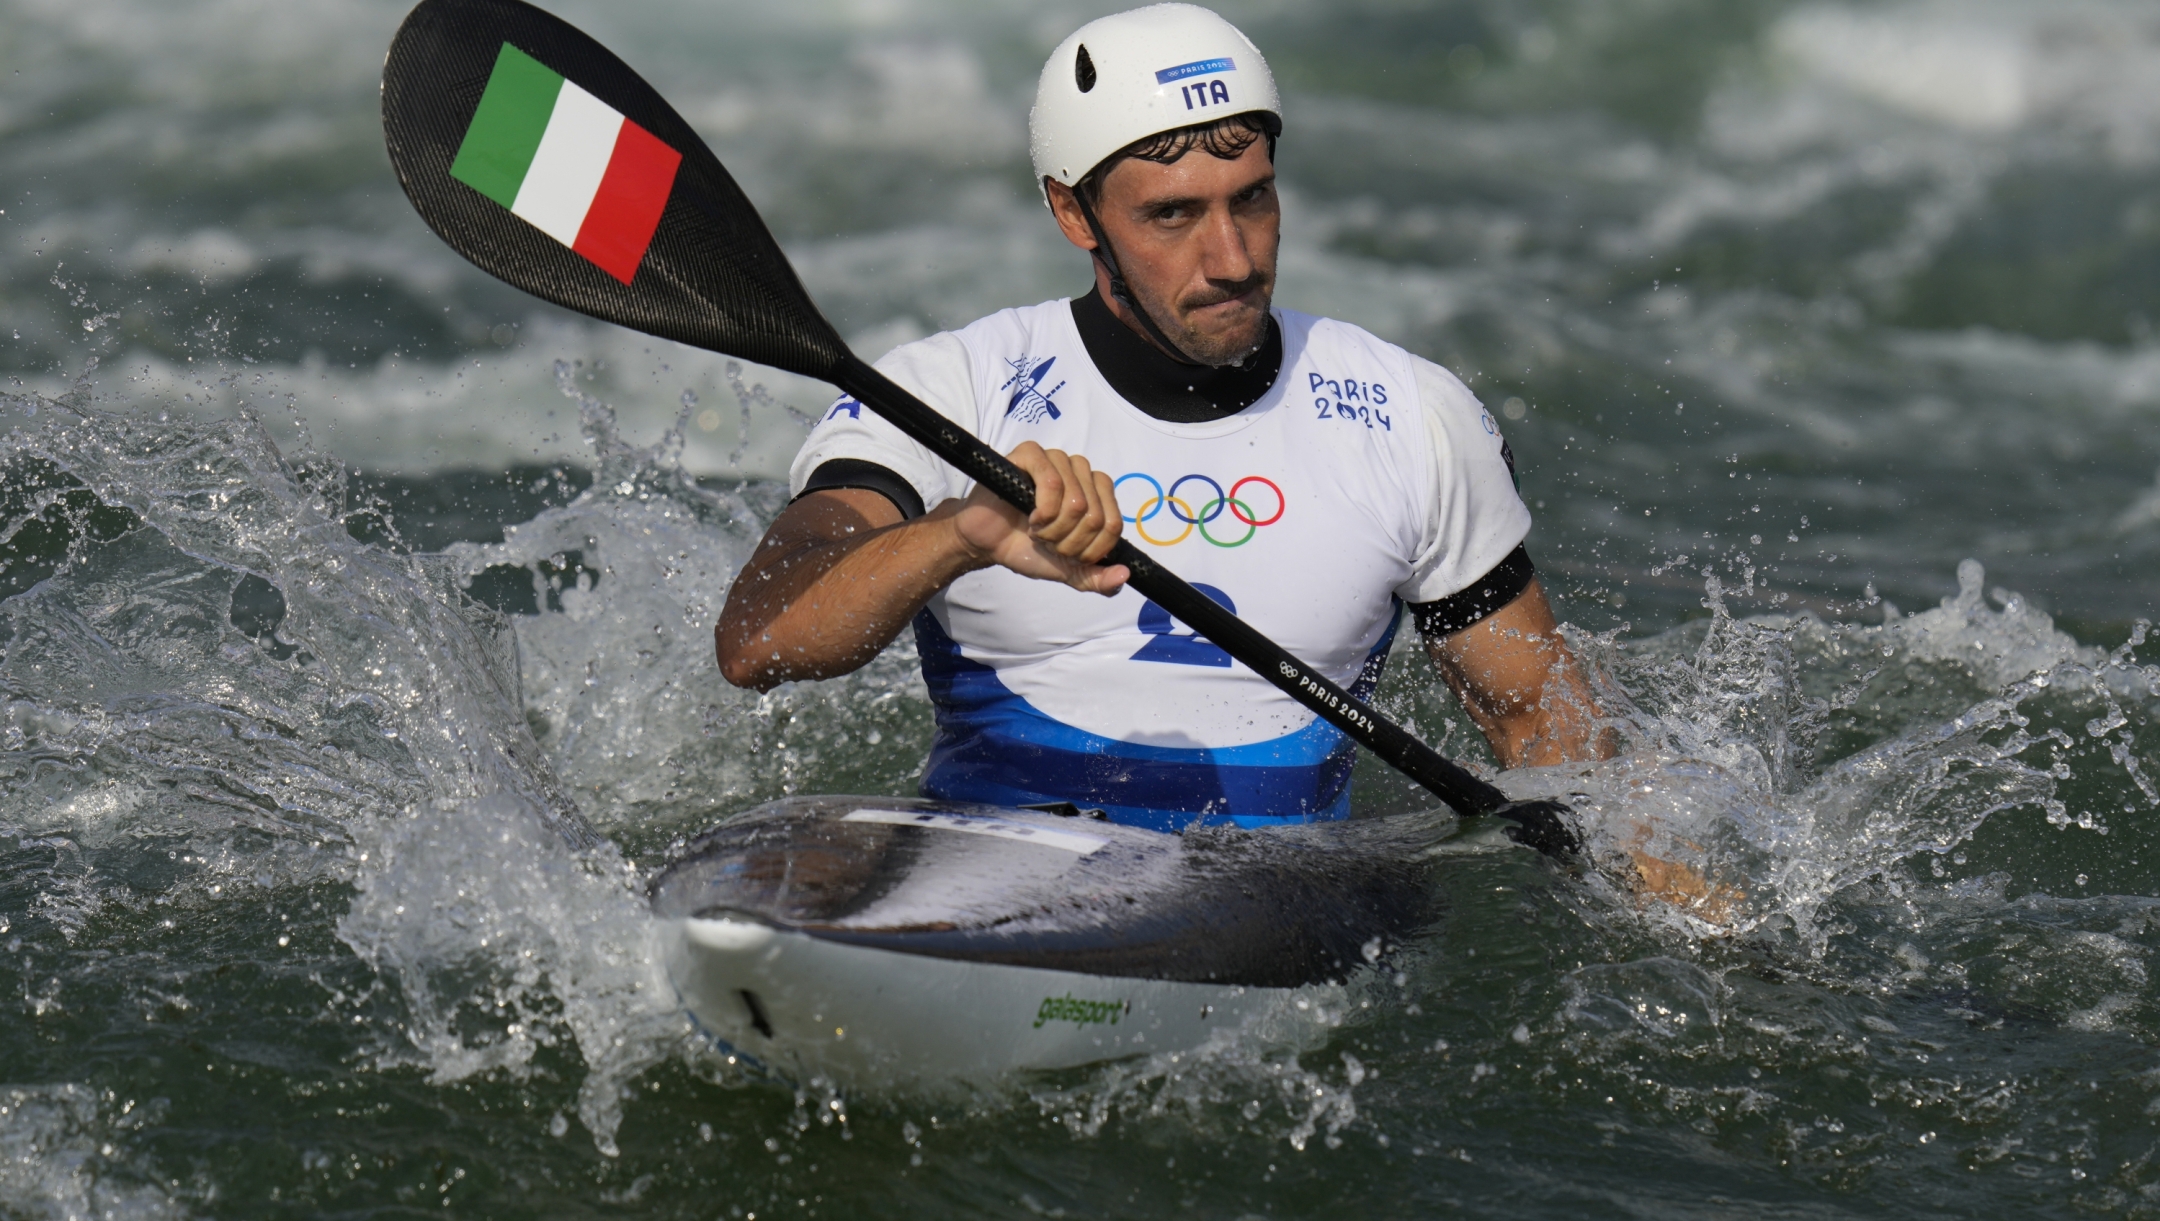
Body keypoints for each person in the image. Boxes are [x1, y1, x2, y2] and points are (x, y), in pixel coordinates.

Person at [716, 4, 1609, 834]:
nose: (1231, 259)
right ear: (1074, 212)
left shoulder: (1411, 416)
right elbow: (759, 638)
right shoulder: (951, 392)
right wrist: (960, 533)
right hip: (993, 886)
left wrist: (1684, 909)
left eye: (1251, 198)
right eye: (1172, 214)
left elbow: (1543, 728)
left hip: (1293, 909)